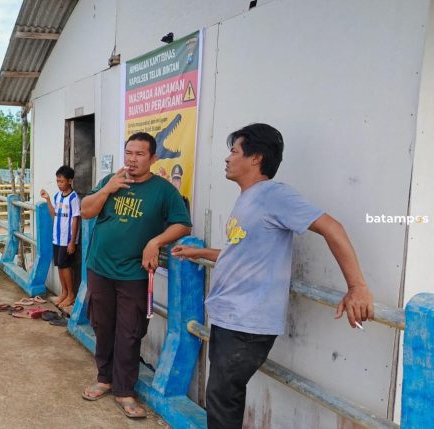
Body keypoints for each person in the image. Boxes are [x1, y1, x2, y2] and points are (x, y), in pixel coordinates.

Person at [172, 123, 374, 429]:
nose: (227, 159)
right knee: (222, 397)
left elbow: (332, 227)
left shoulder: (274, 195)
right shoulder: (249, 198)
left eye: (234, 151)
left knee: (222, 399)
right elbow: (241, 253)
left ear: (256, 158)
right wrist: (199, 253)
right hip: (230, 317)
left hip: (247, 322)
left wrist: (357, 286)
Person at [80, 132, 192, 419]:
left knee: (130, 332)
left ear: (153, 158)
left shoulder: (163, 191)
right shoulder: (110, 181)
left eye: (139, 154)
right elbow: (86, 211)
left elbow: (182, 225)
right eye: (128, 153)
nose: (132, 159)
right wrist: (107, 189)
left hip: (134, 274)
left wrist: (155, 242)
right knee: (102, 326)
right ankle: (104, 379)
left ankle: (124, 390)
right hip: (100, 268)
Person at [39, 165, 80, 309]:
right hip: (57, 238)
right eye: (57, 181)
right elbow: (53, 214)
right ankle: (63, 293)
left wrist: (72, 242)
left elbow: (75, 219)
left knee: (66, 266)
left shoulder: (74, 198)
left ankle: (71, 295)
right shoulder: (57, 196)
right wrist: (48, 200)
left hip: (67, 239)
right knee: (60, 266)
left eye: (62, 181)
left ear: (69, 181)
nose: (59, 184)